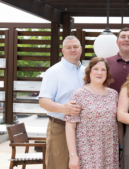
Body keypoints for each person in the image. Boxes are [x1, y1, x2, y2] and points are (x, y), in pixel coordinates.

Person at [39, 36, 85, 169]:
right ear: (62, 51)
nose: (72, 50)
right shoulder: (54, 72)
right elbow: (43, 101)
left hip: (83, 129)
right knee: (59, 166)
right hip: (60, 127)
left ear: (81, 49)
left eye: (75, 47)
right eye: (68, 47)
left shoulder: (86, 72)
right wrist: (63, 108)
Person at [64, 57, 119, 169]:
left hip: (109, 150)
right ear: (89, 72)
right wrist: (73, 155)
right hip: (87, 150)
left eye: (103, 70)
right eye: (96, 69)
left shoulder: (114, 95)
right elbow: (70, 126)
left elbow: (118, 123)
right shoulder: (79, 94)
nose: (99, 72)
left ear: (107, 73)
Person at [106, 27, 129, 155]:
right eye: (123, 37)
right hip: (110, 120)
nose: (126, 39)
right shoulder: (106, 63)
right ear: (117, 41)